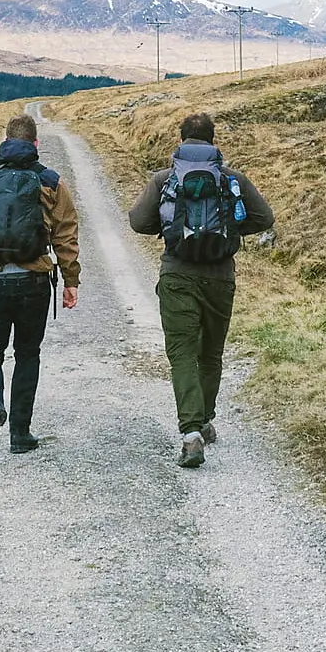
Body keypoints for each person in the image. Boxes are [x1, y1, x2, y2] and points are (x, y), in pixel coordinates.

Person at [128, 112, 273, 468]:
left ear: (181, 139)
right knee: (210, 352)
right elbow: (265, 218)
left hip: (178, 274)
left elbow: (137, 221)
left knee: (181, 353)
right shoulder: (231, 179)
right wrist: (230, 232)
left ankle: (191, 432)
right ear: (212, 140)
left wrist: (169, 229)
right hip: (220, 277)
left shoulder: (164, 179)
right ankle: (205, 418)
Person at [0, 112, 80, 457]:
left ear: (5, 139)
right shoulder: (50, 181)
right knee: (27, 354)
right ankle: (20, 435)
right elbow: (66, 233)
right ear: (36, 143)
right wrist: (71, 281)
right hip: (33, 283)